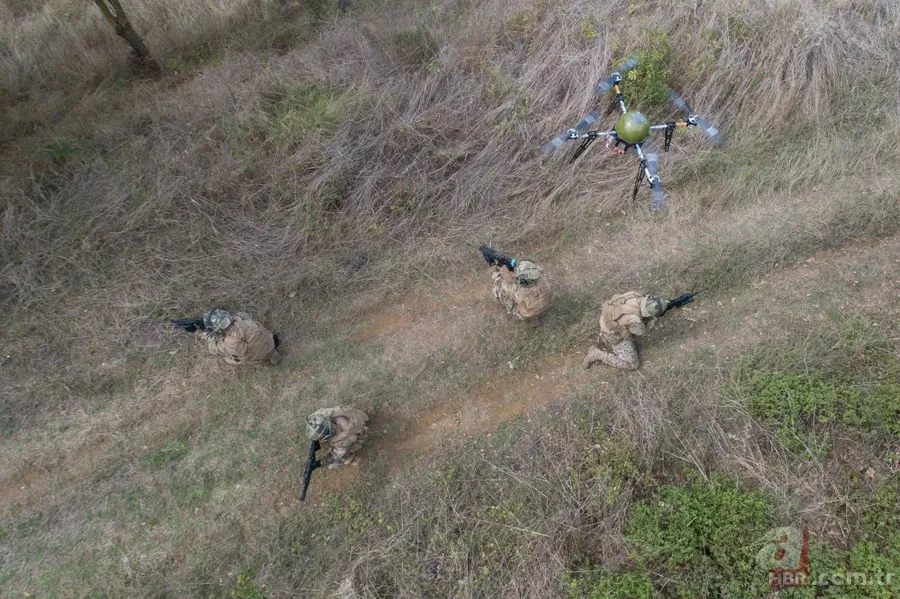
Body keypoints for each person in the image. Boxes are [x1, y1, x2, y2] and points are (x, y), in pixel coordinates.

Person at [582, 292, 667, 370]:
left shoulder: (636, 295)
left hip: (607, 316)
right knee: (632, 364)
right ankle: (597, 354)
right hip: (611, 334)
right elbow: (641, 333)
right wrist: (652, 321)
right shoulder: (634, 320)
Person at [197, 308, 282, 365]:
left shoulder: (226, 343)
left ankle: (266, 356)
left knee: (227, 359)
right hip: (269, 341)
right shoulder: (241, 318)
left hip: (257, 357)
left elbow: (213, 350)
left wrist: (210, 339)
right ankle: (271, 353)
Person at [491, 260, 553, 325]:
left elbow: (517, 300)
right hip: (547, 304)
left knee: (499, 290)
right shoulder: (543, 278)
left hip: (531, 313)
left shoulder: (522, 292)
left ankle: (533, 319)